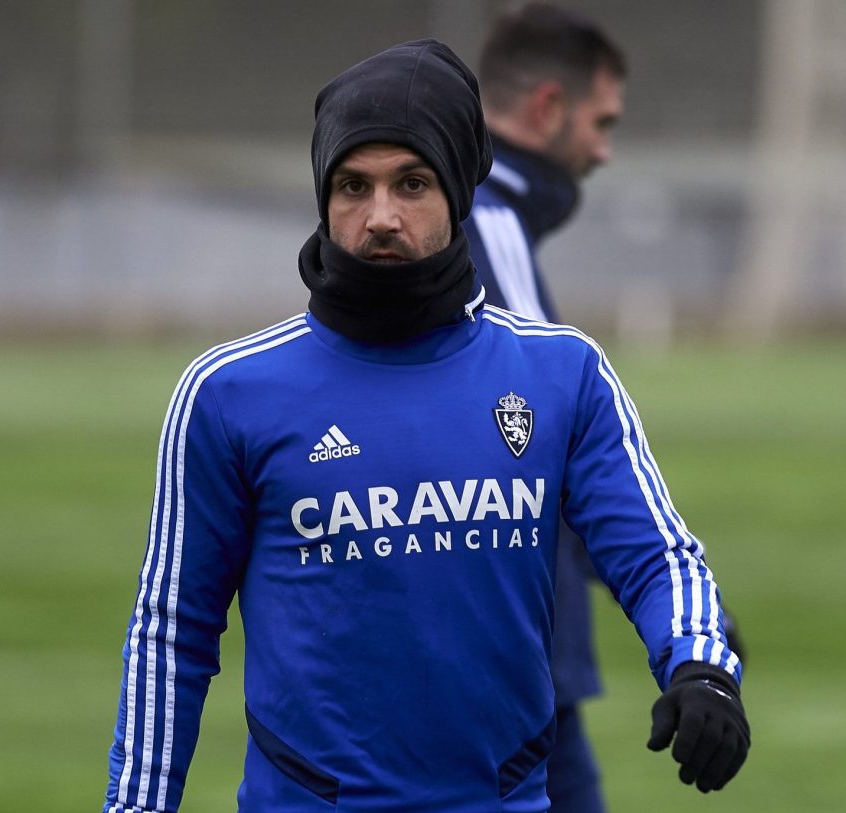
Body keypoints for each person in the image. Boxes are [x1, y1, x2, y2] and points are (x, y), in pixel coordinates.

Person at [104, 38, 748, 813]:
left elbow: (655, 554)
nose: (380, 217)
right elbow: (172, 632)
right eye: (352, 185)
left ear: (457, 192)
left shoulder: (560, 373)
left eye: (411, 183)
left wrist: (701, 666)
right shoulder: (229, 392)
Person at [466, 7, 746, 811]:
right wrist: (689, 623)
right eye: (601, 123)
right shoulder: (489, 221)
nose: (603, 150)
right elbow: (553, 445)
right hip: (514, 659)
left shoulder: (479, 218)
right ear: (548, 108)